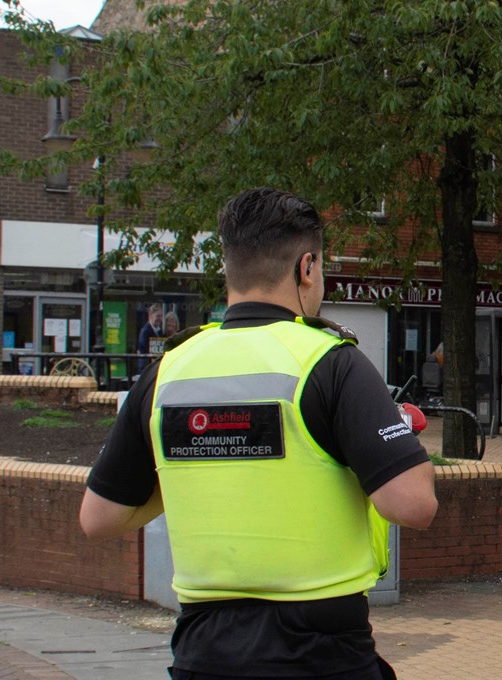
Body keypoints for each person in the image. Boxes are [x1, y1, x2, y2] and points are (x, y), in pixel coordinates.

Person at [80, 188, 438, 680]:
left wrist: (204, 459)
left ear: (228, 268)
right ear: (307, 267)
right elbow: (413, 505)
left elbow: (98, 517)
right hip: (323, 654)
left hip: (203, 653)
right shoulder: (331, 362)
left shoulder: (168, 371)